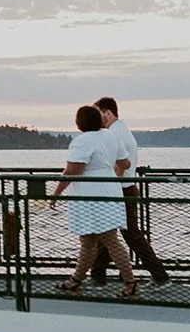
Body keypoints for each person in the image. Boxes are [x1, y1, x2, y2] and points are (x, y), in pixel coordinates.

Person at [50, 104, 137, 298]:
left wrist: (56, 193)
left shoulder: (82, 141)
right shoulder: (110, 136)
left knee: (109, 240)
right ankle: (76, 280)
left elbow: (74, 171)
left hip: (91, 196)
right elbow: (125, 163)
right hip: (110, 191)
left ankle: (131, 284)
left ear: (79, 122)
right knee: (89, 241)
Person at [91, 95, 171, 286]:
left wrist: (106, 189)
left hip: (121, 191)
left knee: (128, 236)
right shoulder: (122, 131)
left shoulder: (115, 135)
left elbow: (120, 167)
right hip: (127, 188)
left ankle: (160, 276)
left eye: (99, 114)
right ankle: (98, 275)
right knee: (109, 234)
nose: (98, 119)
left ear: (107, 113)